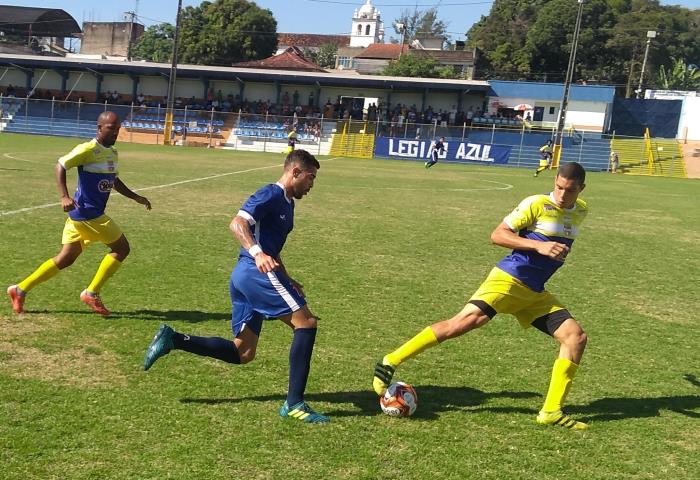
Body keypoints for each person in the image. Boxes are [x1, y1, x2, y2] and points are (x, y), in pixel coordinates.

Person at [373, 162, 590, 430]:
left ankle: (551, 411)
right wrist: (539, 246)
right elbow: (497, 235)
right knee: (462, 324)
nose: (562, 194)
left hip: (534, 293)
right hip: (509, 280)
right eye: (558, 186)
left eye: (569, 190)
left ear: (581, 189)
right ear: (555, 180)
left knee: (575, 338)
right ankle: (390, 360)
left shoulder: (581, 210)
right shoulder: (536, 203)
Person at [143, 150, 328, 424]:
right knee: (306, 324)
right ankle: (294, 403)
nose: (312, 184)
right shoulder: (271, 194)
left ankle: (174, 339)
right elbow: (237, 223)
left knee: (243, 352)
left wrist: (288, 279)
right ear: (295, 172)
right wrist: (257, 253)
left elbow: (272, 249)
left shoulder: (288, 204)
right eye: (310, 177)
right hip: (254, 272)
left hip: (247, 275)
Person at [6, 111, 152, 316]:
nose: (115, 132)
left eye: (117, 128)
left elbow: (113, 180)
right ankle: (91, 293)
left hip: (80, 216)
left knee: (65, 259)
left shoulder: (112, 153)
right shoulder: (88, 149)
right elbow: (61, 166)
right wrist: (64, 196)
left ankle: (19, 289)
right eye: (111, 128)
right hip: (89, 214)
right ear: (99, 128)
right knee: (122, 248)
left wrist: (135, 197)